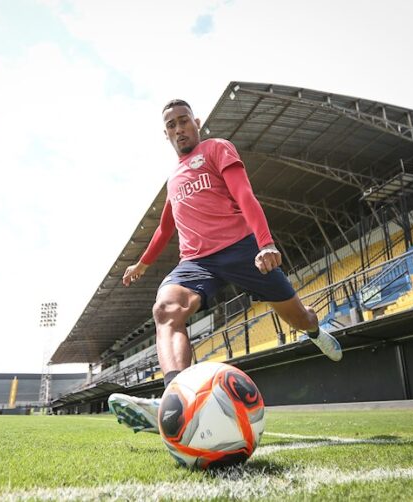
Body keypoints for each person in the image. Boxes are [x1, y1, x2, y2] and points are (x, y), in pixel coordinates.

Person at [108, 99, 342, 433]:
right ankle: (175, 400)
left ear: (196, 122)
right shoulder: (173, 179)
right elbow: (165, 228)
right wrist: (143, 264)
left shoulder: (218, 149)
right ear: (166, 134)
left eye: (183, 121)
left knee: (299, 318)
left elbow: (245, 194)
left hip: (241, 249)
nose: (179, 129)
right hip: (196, 262)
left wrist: (265, 243)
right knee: (165, 309)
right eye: (171, 125)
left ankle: (316, 331)